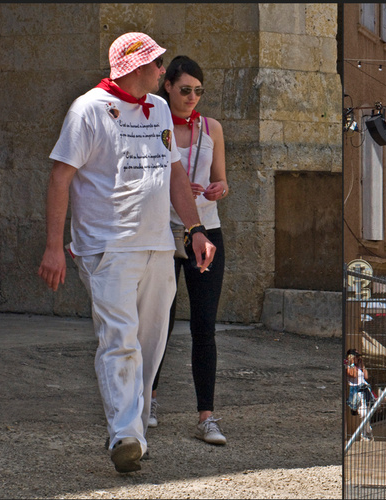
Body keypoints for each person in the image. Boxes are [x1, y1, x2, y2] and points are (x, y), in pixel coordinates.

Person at [39, 32, 216, 474]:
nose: (162, 71)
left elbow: (174, 173)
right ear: (137, 67)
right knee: (119, 340)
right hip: (106, 247)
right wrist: (52, 248)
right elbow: (60, 178)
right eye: (157, 64)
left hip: (158, 245)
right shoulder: (88, 110)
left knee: (150, 345)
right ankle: (124, 435)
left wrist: (194, 228)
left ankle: (131, 431)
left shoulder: (157, 108)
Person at [149, 55, 230, 446]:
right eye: (185, 90)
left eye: (199, 91)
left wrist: (218, 189)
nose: (192, 98)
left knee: (204, 327)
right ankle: (148, 402)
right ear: (167, 86)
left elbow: (221, 180)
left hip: (207, 229)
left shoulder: (211, 127)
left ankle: (207, 417)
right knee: (158, 323)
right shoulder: (154, 123)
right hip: (164, 229)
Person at [346, 349, 376, 441]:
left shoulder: (359, 366)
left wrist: (362, 364)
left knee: (367, 413)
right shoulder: (349, 366)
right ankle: (368, 431)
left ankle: (364, 435)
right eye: (356, 357)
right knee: (363, 414)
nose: (358, 358)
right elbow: (353, 375)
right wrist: (352, 363)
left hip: (365, 390)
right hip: (356, 391)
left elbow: (366, 376)